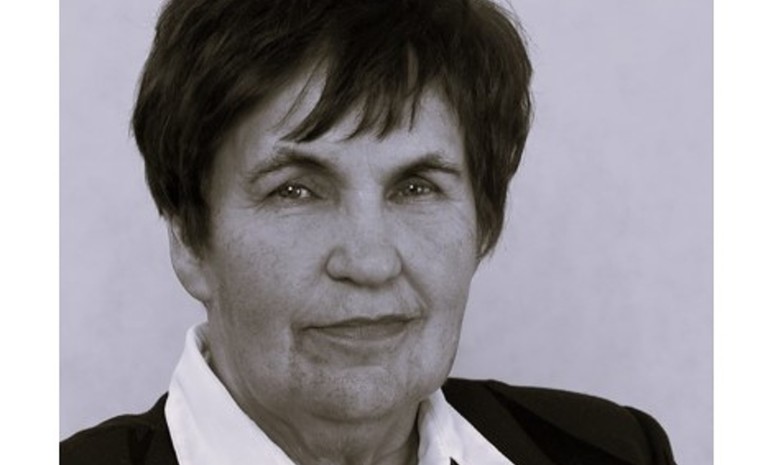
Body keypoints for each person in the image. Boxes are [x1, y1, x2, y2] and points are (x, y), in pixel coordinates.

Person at [61, 0, 676, 464]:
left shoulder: (614, 450)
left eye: (416, 188)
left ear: (484, 223)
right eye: (295, 190)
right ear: (190, 239)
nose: (369, 261)